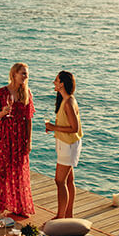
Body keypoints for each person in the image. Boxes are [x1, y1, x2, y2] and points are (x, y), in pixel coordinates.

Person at [0, 63, 35, 217]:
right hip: (5, 136)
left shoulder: (26, 93)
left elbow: (28, 120)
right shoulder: (1, 93)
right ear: (14, 74)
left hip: (20, 137)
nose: (25, 76)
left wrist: (29, 141)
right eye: (23, 73)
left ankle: (20, 207)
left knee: (20, 171)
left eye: (26, 74)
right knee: (2, 171)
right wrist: (3, 112)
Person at [45, 71, 83, 219]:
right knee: (68, 180)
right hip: (68, 144)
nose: (54, 83)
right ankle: (68, 214)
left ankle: (60, 216)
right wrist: (55, 128)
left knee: (59, 181)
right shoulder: (67, 100)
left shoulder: (68, 102)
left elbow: (74, 128)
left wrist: (54, 127)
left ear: (62, 84)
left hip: (68, 145)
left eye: (56, 80)